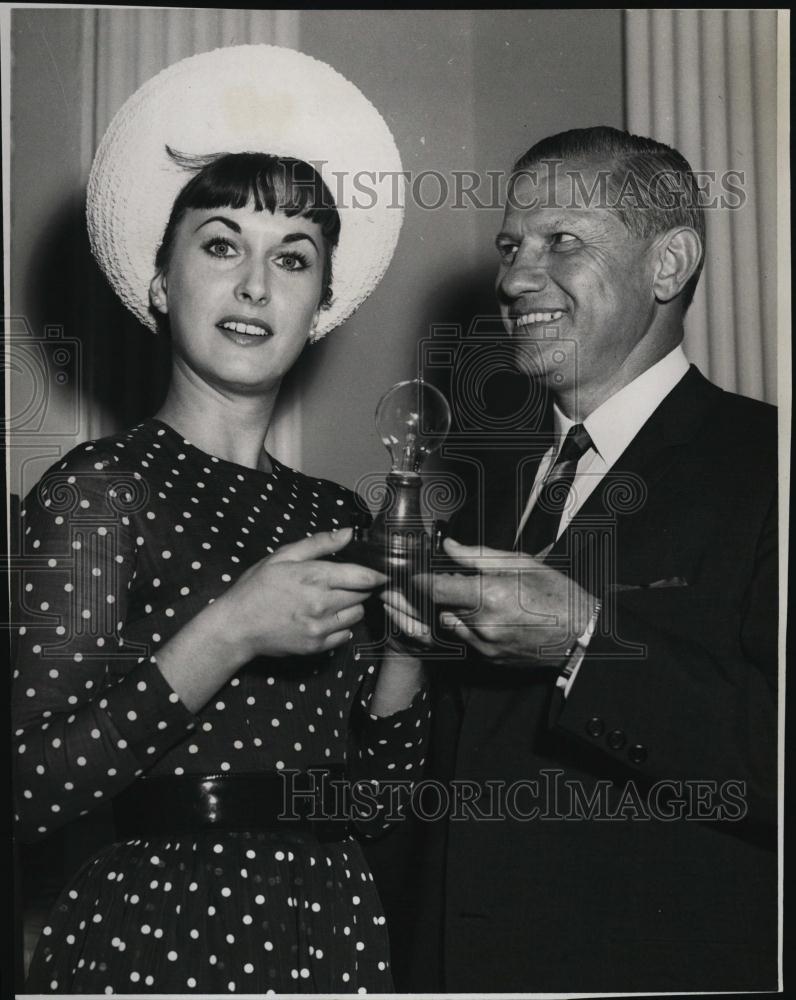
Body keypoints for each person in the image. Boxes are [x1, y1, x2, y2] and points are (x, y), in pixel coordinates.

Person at [12, 45, 427, 994]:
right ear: (161, 281)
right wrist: (232, 629)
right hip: (160, 927)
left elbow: (382, 800)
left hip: (328, 927)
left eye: (292, 257)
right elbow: (27, 787)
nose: (254, 286)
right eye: (219, 244)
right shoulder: (99, 490)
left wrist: (407, 650)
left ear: (320, 304)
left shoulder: (336, 512)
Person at [384, 126, 778, 993]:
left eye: (561, 240)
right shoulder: (481, 495)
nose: (514, 279)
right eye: (510, 247)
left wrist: (584, 644)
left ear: (669, 264)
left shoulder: (769, 465)